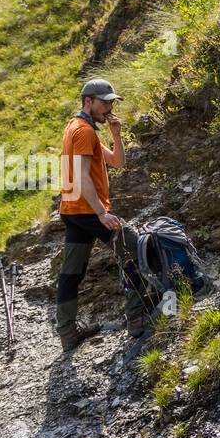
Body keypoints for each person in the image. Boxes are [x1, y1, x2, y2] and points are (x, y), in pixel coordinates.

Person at [54, 78, 148, 352]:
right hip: (86, 210)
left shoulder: (79, 128)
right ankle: (138, 317)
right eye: (104, 101)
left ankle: (67, 333)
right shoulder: (83, 131)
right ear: (88, 101)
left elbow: (117, 163)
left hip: (72, 210)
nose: (109, 107)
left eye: (111, 102)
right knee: (133, 248)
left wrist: (116, 134)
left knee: (71, 272)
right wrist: (102, 213)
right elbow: (82, 176)